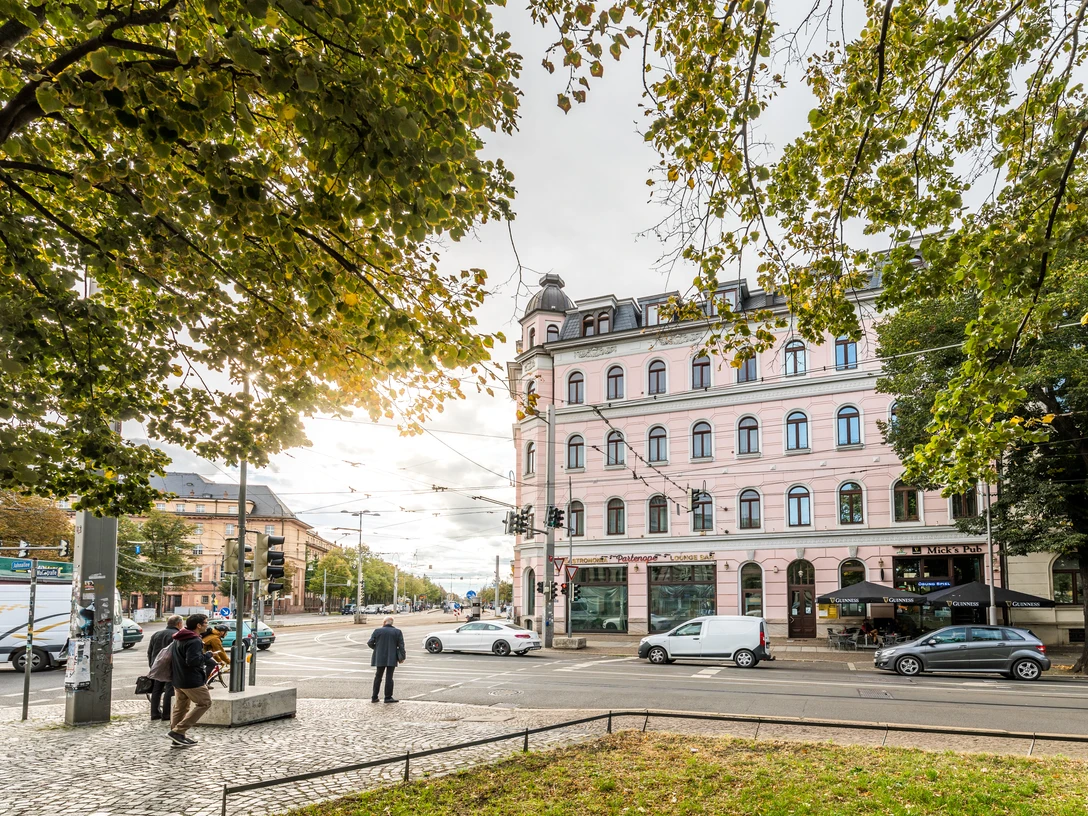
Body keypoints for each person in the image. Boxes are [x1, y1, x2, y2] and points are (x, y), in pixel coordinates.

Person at [168, 613, 212, 747]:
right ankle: (178, 731)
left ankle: (177, 738)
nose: (207, 625)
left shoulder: (179, 637)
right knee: (205, 703)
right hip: (191, 680)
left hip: (178, 678)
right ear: (198, 625)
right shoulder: (194, 640)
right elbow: (193, 661)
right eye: (205, 623)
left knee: (180, 708)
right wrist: (207, 656)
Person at [146, 614, 182, 722]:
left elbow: (149, 651)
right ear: (179, 624)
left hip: (156, 665)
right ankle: (167, 714)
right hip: (170, 666)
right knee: (169, 689)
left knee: (156, 690)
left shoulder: (156, 634)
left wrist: (152, 665)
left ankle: (154, 713)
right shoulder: (177, 635)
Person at [367, 616, 406, 703]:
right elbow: (401, 646)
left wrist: (377, 649)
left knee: (378, 677)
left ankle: (374, 697)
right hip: (392, 657)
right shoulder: (397, 632)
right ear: (392, 623)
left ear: (384, 622)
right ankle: (388, 697)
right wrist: (402, 657)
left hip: (379, 657)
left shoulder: (377, 631)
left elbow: (370, 643)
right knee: (389, 677)